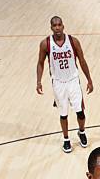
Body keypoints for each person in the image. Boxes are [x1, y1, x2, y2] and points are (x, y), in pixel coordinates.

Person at [36, 16, 93, 153]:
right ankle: (66, 139)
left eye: (59, 25)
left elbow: (82, 60)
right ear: (51, 27)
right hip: (58, 82)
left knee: (80, 111)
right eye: (54, 25)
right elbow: (40, 63)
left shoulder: (73, 41)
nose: (57, 28)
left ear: (63, 26)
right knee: (63, 114)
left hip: (73, 80)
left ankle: (82, 132)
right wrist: (38, 81)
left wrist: (89, 79)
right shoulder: (46, 44)